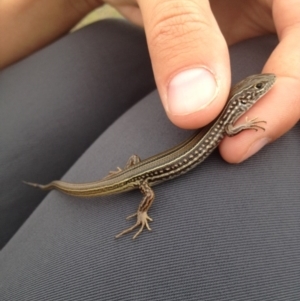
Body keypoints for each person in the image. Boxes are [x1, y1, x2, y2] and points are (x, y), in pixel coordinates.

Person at [1, 1, 299, 300]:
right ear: (243, 99)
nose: (264, 88)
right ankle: (113, 201)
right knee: (150, 193)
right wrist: (140, 209)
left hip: (137, 169)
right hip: (143, 177)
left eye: (260, 89)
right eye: (258, 90)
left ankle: (61, 184)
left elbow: (229, 129)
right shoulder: (228, 121)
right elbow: (231, 131)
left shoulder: (227, 116)